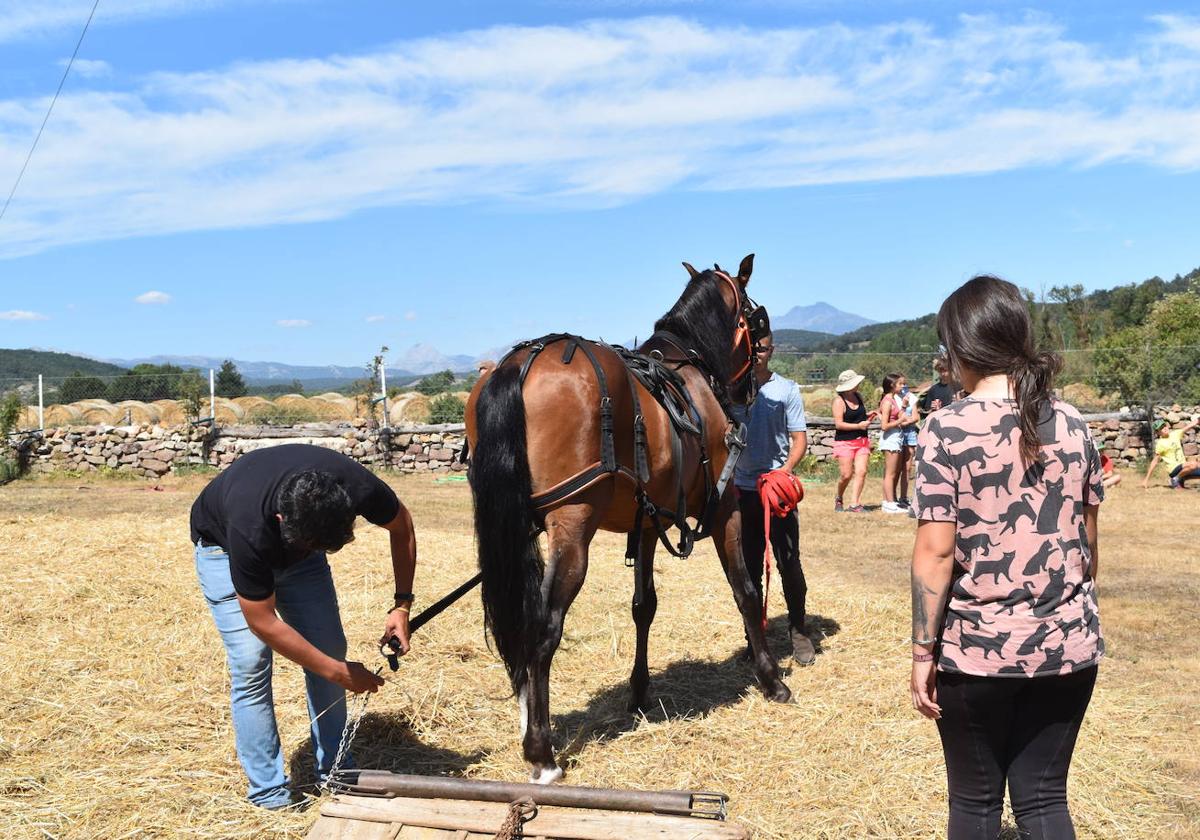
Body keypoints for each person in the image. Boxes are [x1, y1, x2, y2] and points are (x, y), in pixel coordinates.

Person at [910, 275, 1105, 840]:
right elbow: (1088, 548)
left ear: (961, 348)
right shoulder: (1074, 424)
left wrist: (923, 651)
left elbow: (935, 553)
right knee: (1044, 801)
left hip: (977, 654)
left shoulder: (945, 428)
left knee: (974, 804)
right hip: (1069, 646)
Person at [191, 443, 417, 809]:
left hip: (300, 561)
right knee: (252, 664)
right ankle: (269, 794)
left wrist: (402, 606)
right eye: (312, 544)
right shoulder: (248, 525)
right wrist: (339, 674)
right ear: (283, 521)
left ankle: (337, 772)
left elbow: (401, 524)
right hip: (223, 549)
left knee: (329, 649)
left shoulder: (354, 485)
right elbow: (262, 622)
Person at [732, 332, 815, 665]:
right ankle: (754, 639)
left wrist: (785, 471)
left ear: (772, 350)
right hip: (742, 491)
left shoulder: (787, 389)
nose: (758, 354)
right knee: (747, 569)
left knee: (789, 564)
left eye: (763, 348)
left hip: (777, 492)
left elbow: (799, 439)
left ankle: (799, 631)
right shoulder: (731, 390)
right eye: (752, 349)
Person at [831, 369, 876, 513]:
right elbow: (839, 424)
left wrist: (868, 416)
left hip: (862, 440)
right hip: (845, 443)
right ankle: (839, 497)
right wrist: (858, 425)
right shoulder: (839, 401)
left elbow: (859, 416)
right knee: (846, 475)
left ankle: (855, 504)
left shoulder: (859, 396)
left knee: (861, 471)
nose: (859, 385)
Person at [878, 372, 915, 514]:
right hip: (890, 440)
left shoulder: (893, 400)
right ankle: (889, 503)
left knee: (893, 472)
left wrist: (904, 407)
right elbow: (884, 425)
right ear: (892, 386)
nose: (903, 386)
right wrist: (899, 422)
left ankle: (889, 502)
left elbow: (902, 416)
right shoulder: (887, 402)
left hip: (896, 439)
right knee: (890, 473)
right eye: (900, 384)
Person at [1142, 416, 1200, 489]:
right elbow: (1155, 461)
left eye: (1164, 426)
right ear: (1157, 432)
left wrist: (1198, 420)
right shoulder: (1160, 444)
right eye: (1161, 428)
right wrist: (1146, 479)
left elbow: (1191, 424)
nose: (1164, 428)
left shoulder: (1175, 434)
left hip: (1183, 468)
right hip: (1174, 469)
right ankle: (1175, 479)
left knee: (1196, 466)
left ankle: (1179, 480)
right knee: (1193, 464)